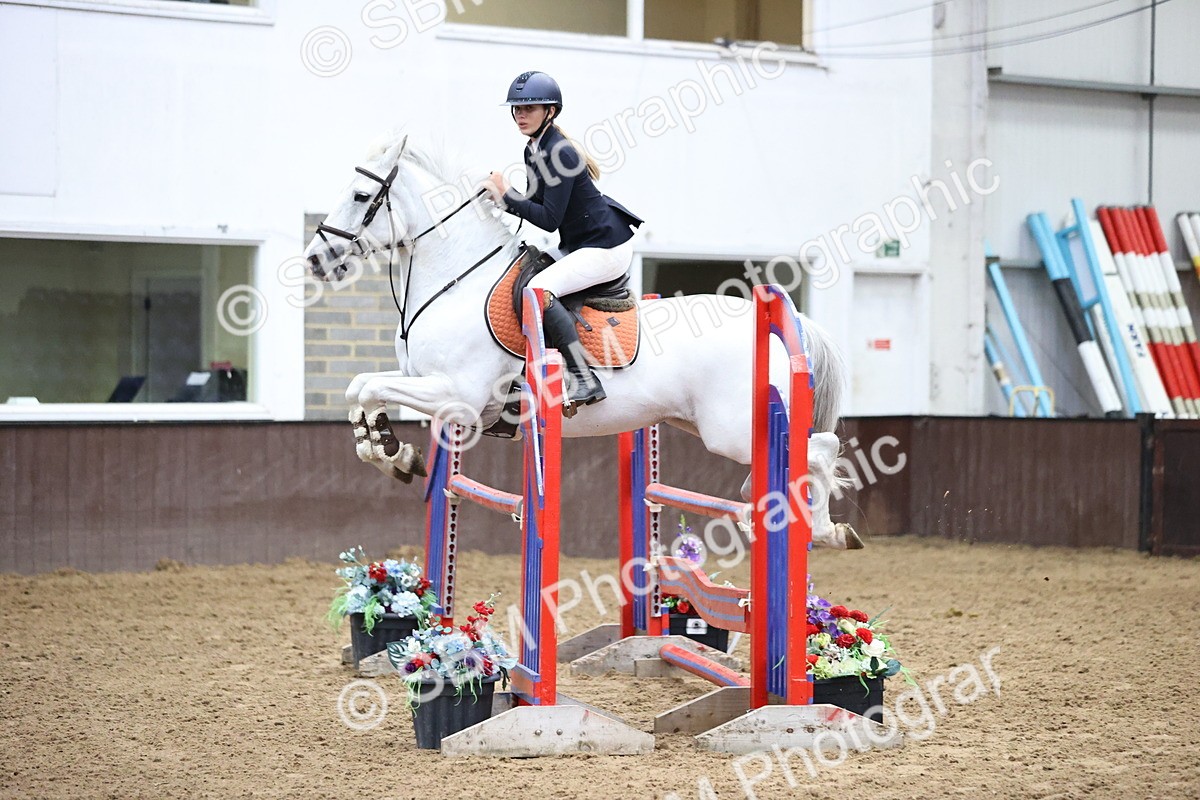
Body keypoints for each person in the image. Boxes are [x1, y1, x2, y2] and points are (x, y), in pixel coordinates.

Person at [484, 71, 643, 416]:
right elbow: (535, 202)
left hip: (606, 247)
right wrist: (494, 199)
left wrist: (507, 194)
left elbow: (549, 218)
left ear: (551, 111)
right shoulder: (534, 149)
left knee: (537, 291)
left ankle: (583, 377)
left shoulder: (562, 153)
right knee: (523, 275)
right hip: (581, 244)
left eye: (529, 108)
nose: (520, 116)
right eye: (516, 109)